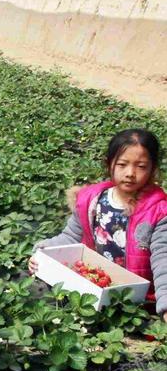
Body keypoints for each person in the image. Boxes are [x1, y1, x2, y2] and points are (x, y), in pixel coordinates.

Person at [28, 129, 167, 321]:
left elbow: (163, 260)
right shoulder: (92, 201)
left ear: (153, 169)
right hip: (92, 289)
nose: (130, 173)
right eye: (122, 164)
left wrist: (165, 306)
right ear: (109, 164)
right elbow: (70, 237)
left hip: (134, 303)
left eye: (141, 166)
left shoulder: (158, 211)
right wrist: (42, 253)